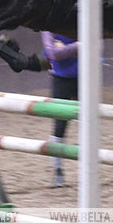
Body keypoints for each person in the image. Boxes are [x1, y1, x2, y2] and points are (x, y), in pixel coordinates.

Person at [41, 31, 79, 187]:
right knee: (59, 126)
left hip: (84, 76)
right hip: (60, 78)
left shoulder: (80, 18)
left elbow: (94, 46)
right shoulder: (47, 27)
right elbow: (53, 53)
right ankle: (57, 171)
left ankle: (89, 170)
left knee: (89, 124)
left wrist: (66, 48)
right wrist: (78, 46)